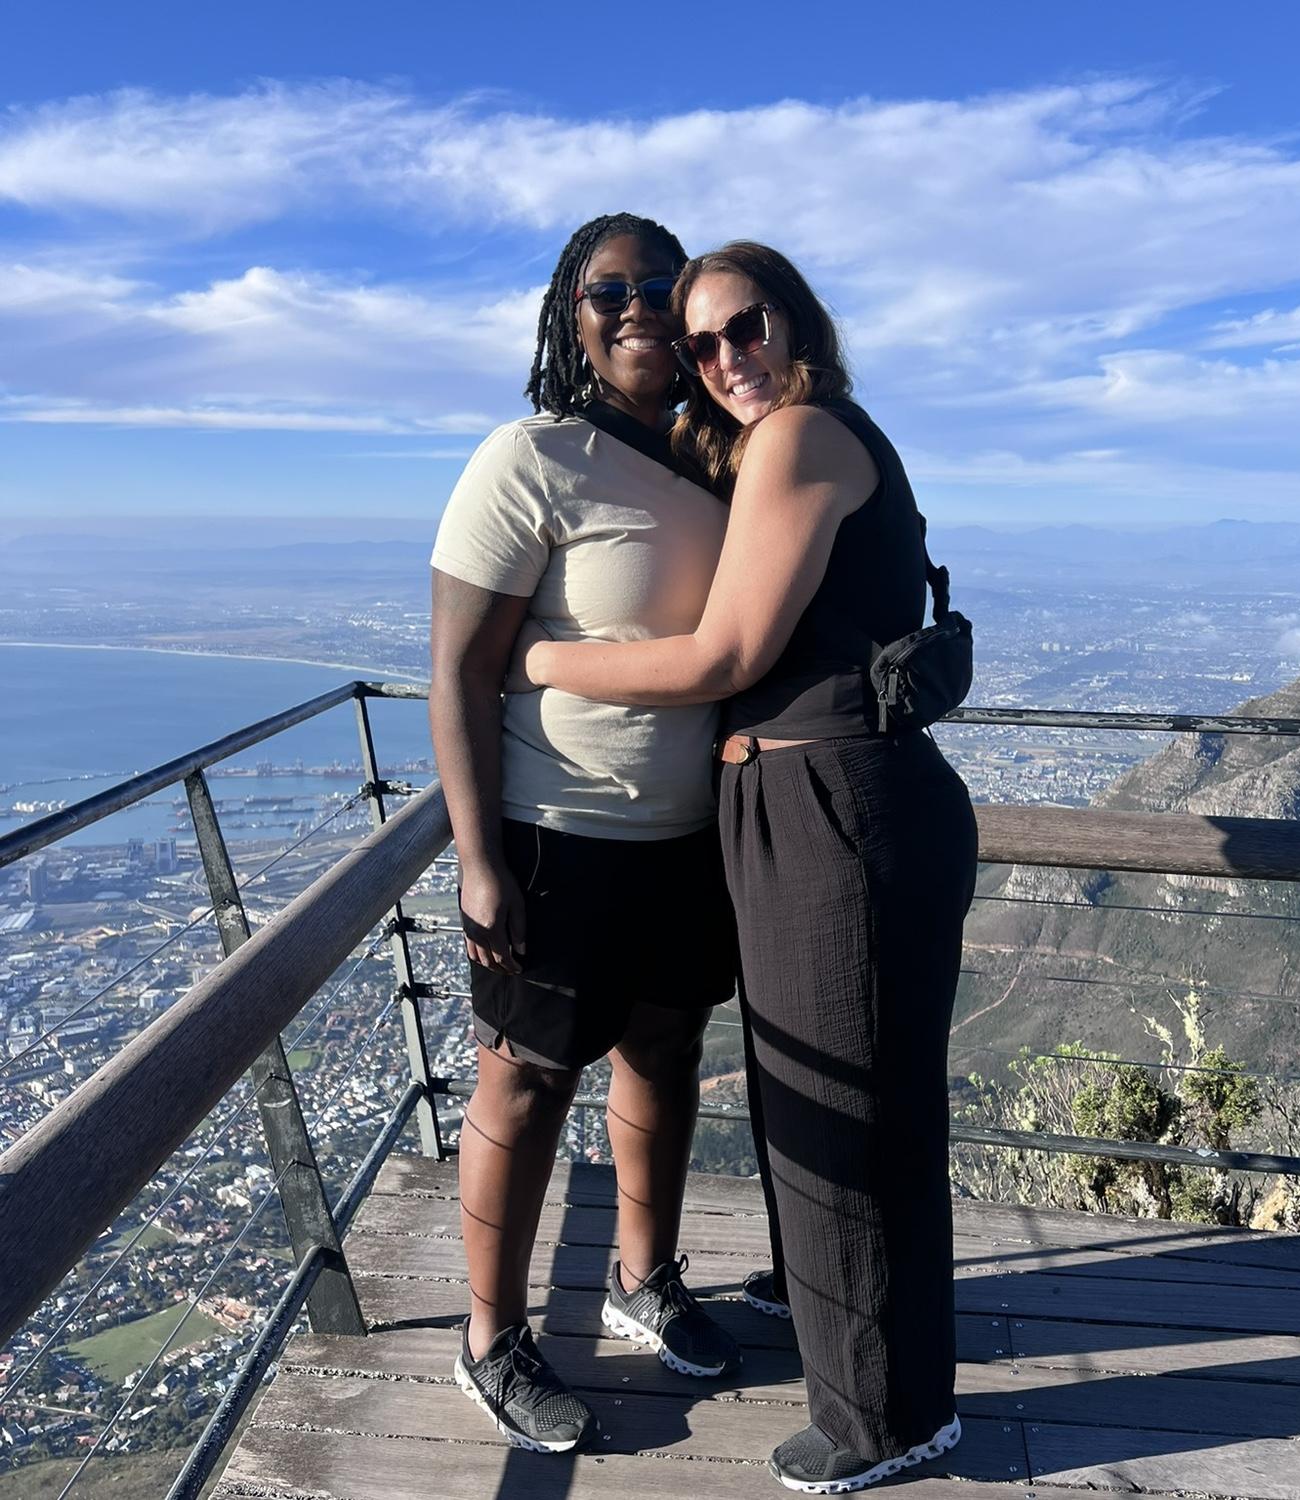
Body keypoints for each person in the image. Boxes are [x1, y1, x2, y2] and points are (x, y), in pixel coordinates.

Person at [517, 241, 978, 1492]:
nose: (725, 359)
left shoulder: (802, 434)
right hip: (800, 801)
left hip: (841, 805)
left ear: (799, 320)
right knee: (814, 1091)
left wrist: (546, 661)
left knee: (854, 1109)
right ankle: (841, 1313)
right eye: (702, 340)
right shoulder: (782, 439)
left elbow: (724, 651)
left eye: (746, 326)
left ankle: (890, 1416)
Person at [427, 213, 741, 1455]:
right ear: (573, 311)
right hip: (556, 830)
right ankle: (490, 1340)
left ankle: (639, 1279)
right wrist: (477, 857)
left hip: (687, 837)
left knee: (665, 1058)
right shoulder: (528, 458)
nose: (639, 307)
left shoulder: (715, 462)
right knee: (527, 1082)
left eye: (662, 285)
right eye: (610, 289)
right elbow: (458, 673)